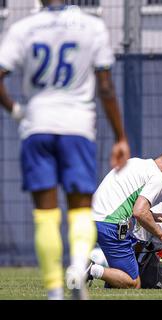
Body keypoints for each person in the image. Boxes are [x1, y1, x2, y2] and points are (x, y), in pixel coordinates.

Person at [0, 1, 130, 300]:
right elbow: (106, 88)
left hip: (38, 126)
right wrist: (120, 136)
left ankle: (54, 290)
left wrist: (18, 111)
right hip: (77, 128)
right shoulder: (92, 26)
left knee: (45, 215)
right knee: (80, 210)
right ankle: (76, 271)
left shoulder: (23, 28)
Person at [87, 148, 162, 289]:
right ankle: (90, 269)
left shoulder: (134, 162)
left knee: (119, 276)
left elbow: (124, 200)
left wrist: (152, 216)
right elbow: (139, 212)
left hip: (90, 218)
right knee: (133, 282)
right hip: (110, 224)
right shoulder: (159, 178)